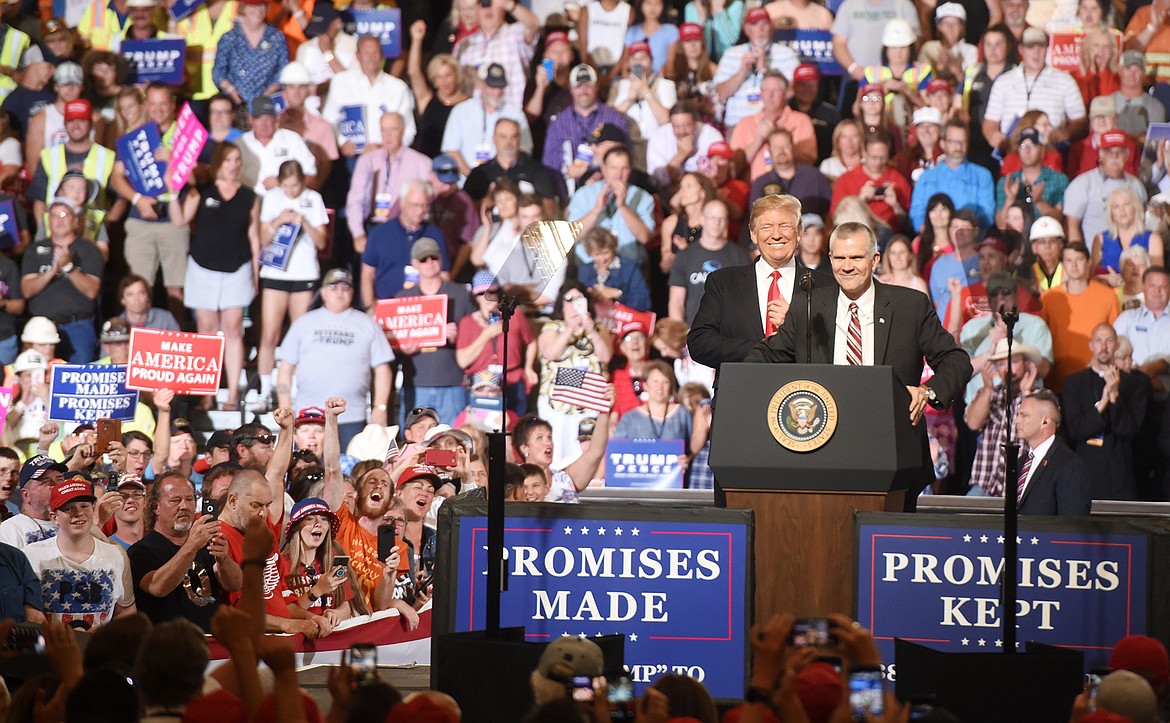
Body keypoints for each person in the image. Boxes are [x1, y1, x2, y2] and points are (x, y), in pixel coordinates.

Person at [745, 221, 973, 504]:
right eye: (839, 258)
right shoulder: (808, 307)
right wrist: (737, 382)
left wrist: (927, 392)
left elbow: (957, 360)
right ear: (830, 260)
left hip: (892, 452)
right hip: (822, 453)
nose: (847, 266)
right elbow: (766, 355)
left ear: (875, 260)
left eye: (856, 258)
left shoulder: (910, 306)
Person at [688, 194, 811, 390]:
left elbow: (835, 348)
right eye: (767, 227)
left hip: (802, 398)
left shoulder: (824, 286)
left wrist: (796, 326)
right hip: (739, 396)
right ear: (753, 234)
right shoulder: (724, 282)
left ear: (799, 232)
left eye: (785, 226)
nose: (776, 234)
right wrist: (763, 351)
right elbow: (700, 343)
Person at [277, 268, 392, 448]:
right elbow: (285, 368)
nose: (340, 292)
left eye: (346, 288)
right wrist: (285, 407)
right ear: (322, 292)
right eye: (333, 287)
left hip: (352, 416)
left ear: (353, 293)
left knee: (349, 472)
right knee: (307, 472)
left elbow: (382, 369)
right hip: (309, 419)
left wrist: (380, 408)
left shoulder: (368, 324)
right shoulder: (304, 323)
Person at [128, 471, 240, 631]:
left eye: (189, 499)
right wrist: (192, 545)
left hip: (210, 641)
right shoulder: (141, 551)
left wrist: (224, 559)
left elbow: (234, 584)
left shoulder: (206, 542)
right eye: (175, 500)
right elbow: (158, 588)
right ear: (156, 507)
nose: (184, 506)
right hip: (167, 644)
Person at [257, 159, 327, 403]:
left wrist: (303, 221)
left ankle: (297, 385)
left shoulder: (314, 199)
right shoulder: (273, 198)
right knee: (270, 333)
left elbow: (321, 241)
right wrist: (278, 221)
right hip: (276, 273)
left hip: (304, 273)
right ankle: (265, 387)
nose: (291, 191)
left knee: (300, 333)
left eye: (295, 186)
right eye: (286, 186)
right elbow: (263, 238)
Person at [24, 479, 136, 629]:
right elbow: (26, 610)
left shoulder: (116, 555)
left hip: (97, 649)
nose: (79, 513)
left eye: (85, 506)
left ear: (94, 508)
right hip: (50, 648)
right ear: (54, 517)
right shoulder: (32, 555)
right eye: (69, 508)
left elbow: (126, 610)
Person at [396, 238, 476, 431]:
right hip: (416, 383)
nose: (430, 262)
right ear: (415, 264)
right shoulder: (403, 299)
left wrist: (460, 336)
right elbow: (392, 343)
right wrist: (403, 348)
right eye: (424, 259)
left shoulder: (460, 294)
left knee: (454, 439)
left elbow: (475, 333)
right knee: (415, 441)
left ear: (441, 259)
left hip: (453, 382)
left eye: (434, 257)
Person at [1063, 323, 1148, 500]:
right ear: (1091, 345)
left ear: (1116, 345)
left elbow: (1128, 430)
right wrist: (1102, 403)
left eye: (1109, 341)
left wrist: (1115, 395)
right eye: (1099, 341)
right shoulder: (1074, 383)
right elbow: (1075, 430)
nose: (1103, 347)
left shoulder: (1135, 384)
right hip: (1087, 471)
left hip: (1121, 472)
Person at [20, 197, 103, 363]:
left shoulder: (89, 250)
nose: (59, 220)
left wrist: (68, 268)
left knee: (77, 382)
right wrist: (52, 271)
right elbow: (27, 290)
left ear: (75, 220)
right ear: (48, 221)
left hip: (77, 328)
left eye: (64, 215)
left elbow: (92, 291)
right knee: (39, 379)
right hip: (41, 329)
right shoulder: (35, 250)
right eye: (54, 215)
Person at [982, 27, 1087, 155]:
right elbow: (990, 122)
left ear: (1047, 48)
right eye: (1030, 47)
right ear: (1021, 49)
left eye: (1040, 47)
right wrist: (993, 135)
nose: (1036, 52)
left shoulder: (1064, 80)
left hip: (1050, 152)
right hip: (1013, 152)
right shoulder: (1003, 81)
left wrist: (1066, 133)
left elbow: (1080, 121)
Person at [346, 112, 435, 253]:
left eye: (393, 130)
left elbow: (428, 202)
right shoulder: (367, 161)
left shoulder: (422, 163)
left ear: (403, 132)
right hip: (373, 227)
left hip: (407, 229)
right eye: (383, 130)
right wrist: (358, 234)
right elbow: (356, 199)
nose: (387, 136)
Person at [965, 338, 1043, 497]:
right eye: (1001, 364)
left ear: (1026, 364)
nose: (1007, 368)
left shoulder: (1041, 397)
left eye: (1013, 361)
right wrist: (987, 389)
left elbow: (1040, 433)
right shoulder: (989, 394)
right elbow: (973, 423)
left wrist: (1026, 393)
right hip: (984, 486)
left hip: (1022, 488)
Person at [1039, 241, 1121, 391]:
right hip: (1058, 380)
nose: (1074, 265)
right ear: (1063, 265)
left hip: (1098, 380)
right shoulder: (1049, 298)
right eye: (1069, 260)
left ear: (1089, 262)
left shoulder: (1108, 296)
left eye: (1079, 259)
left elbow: (1117, 337)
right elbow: (1041, 338)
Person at [456, 271, 538, 416]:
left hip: (511, 381)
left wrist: (529, 367)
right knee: (480, 430)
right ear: (475, 296)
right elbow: (462, 361)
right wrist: (486, 334)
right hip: (480, 386)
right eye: (482, 293)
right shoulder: (467, 322)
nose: (487, 297)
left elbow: (531, 342)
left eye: (492, 292)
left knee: (513, 426)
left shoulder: (515, 315)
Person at [541, 64, 628, 198]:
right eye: (578, 86)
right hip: (569, 193)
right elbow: (550, 166)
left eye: (588, 85)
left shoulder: (615, 118)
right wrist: (568, 173)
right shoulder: (558, 124)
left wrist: (594, 171)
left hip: (610, 189)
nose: (584, 90)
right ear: (571, 89)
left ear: (596, 87)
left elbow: (624, 158)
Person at [280, 497, 370, 625]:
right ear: (296, 527)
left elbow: (346, 605)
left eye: (324, 519)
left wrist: (335, 613)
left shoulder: (332, 560)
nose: (318, 523)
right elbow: (284, 613)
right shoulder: (281, 564)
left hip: (330, 641)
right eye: (310, 518)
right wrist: (317, 591)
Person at [361, 178, 449, 308]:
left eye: (424, 205)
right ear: (402, 203)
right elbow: (367, 274)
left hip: (424, 308)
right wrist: (370, 307)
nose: (420, 211)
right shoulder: (379, 234)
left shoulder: (435, 234)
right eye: (415, 205)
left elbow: (444, 274)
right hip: (386, 305)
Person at [321, 35, 417, 154]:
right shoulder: (340, 82)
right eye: (367, 52)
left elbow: (409, 129)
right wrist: (341, 142)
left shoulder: (398, 87)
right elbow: (328, 121)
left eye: (376, 52)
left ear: (382, 56)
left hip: (388, 156)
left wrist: (386, 147)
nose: (371, 57)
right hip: (350, 157)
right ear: (358, 56)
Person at [440, 63, 533, 181]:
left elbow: (525, 149)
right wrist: (474, 179)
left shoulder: (515, 114)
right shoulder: (461, 111)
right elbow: (451, 150)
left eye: (501, 87)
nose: (497, 92)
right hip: (467, 182)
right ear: (481, 85)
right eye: (492, 86)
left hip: (505, 184)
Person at [712, 8, 799, 131]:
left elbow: (791, 92)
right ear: (746, 29)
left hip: (776, 124)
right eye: (755, 24)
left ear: (771, 29)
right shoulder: (731, 54)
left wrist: (764, 70)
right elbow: (719, 95)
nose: (761, 29)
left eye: (765, 24)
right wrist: (741, 72)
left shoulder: (786, 54)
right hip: (737, 124)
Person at [566, 146, 655, 267]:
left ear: (630, 170)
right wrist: (597, 209)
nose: (618, 174)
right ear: (604, 169)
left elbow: (645, 237)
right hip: (590, 265)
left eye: (624, 168)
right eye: (614, 168)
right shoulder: (583, 194)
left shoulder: (643, 197)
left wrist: (623, 207)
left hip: (629, 266)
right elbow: (570, 237)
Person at [669, 198, 751, 325]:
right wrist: (682, 336)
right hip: (693, 333)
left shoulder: (739, 256)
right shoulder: (685, 256)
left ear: (727, 222)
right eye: (712, 217)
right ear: (702, 219)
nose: (716, 223)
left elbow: (746, 299)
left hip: (728, 335)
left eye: (721, 218)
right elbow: (676, 302)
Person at [451, 0, 541, 110]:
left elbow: (534, 25)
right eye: (484, 4)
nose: (488, 9)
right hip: (474, 120)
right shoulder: (464, 46)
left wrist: (509, 4)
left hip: (509, 119)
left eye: (494, 3)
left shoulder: (516, 33)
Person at [1015, 389, 1092, 516]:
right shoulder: (1020, 463)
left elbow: (1073, 523)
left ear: (1045, 422)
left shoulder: (1069, 465)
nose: (1017, 420)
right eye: (1018, 415)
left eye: (1024, 415)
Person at [909, 121, 995, 232]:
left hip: (971, 240)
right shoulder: (926, 177)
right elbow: (917, 215)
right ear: (942, 143)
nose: (958, 147)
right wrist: (931, 237)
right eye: (952, 142)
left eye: (962, 142)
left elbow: (987, 216)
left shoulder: (983, 176)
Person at [830, 130, 911, 232]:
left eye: (882, 158)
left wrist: (895, 205)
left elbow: (907, 223)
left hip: (888, 234)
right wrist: (860, 201)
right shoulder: (845, 180)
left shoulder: (899, 181)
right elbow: (837, 218)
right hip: (856, 233)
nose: (878, 162)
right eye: (873, 157)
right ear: (864, 153)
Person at [211, 0, 286, 107]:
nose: (259, 10)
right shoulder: (229, 38)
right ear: (243, 7)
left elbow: (283, 72)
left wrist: (267, 95)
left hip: (266, 106)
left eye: (262, 5)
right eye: (253, 5)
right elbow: (218, 72)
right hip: (235, 103)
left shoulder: (277, 37)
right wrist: (232, 91)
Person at [238, 95, 318, 195]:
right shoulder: (240, 143)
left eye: (268, 118)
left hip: (286, 202)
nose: (264, 124)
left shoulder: (292, 139)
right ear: (250, 119)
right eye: (259, 118)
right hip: (250, 202)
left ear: (276, 119)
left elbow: (311, 177)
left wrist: (282, 182)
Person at [746, 128, 831, 217]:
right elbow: (755, 218)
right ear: (769, 151)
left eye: (786, 146)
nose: (781, 151)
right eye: (776, 147)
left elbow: (830, 212)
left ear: (793, 148)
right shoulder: (760, 183)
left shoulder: (814, 176)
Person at [645, 102, 721, 191]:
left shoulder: (711, 135)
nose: (682, 132)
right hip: (670, 191)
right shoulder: (659, 137)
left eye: (687, 125)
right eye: (676, 126)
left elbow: (720, 171)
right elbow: (656, 181)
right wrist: (680, 155)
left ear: (695, 123)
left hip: (704, 188)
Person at [1094, 187, 1165, 276]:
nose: (1122, 210)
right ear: (1111, 213)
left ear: (1135, 208)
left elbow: (1158, 277)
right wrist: (1105, 279)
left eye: (1126, 204)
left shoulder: (1153, 239)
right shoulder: (1100, 239)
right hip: (1107, 289)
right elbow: (1091, 276)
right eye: (1116, 206)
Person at [578, 227, 652, 311]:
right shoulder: (585, 271)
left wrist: (617, 294)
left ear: (613, 249)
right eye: (597, 254)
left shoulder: (629, 267)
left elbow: (644, 302)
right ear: (590, 253)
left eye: (606, 253)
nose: (603, 259)